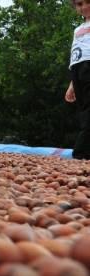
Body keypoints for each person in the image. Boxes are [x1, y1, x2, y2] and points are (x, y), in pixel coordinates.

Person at [67, 0, 90, 159]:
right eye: (80, 4)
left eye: (88, 3)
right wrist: (71, 85)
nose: (84, 7)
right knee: (83, 109)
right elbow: (75, 55)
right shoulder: (77, 30)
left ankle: (81, 152)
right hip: (77, 68)